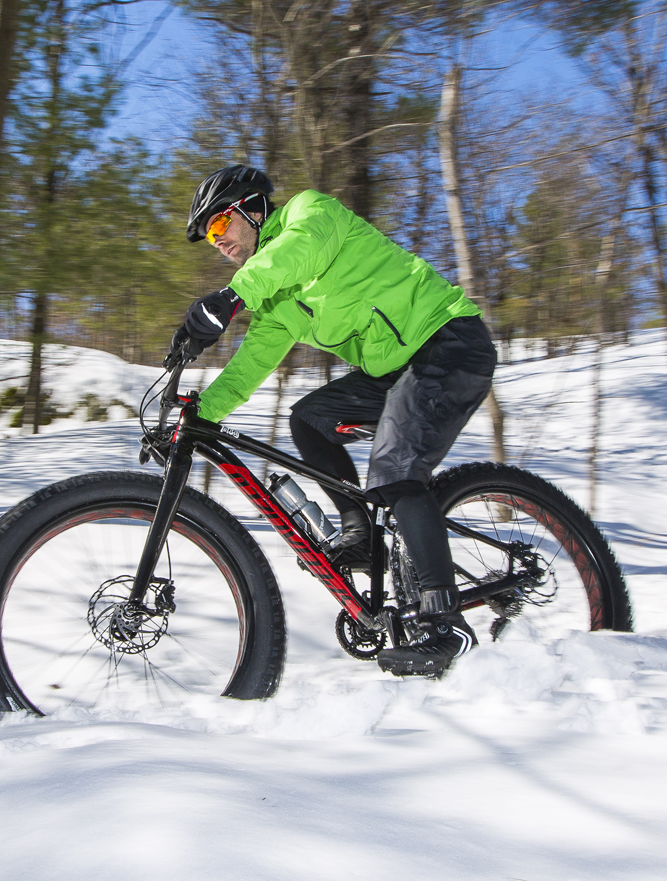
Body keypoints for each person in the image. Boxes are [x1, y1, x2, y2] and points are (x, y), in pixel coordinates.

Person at [172, 165, 497, 677]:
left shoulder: (312, 213)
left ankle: (442, 621)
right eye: (210, 239)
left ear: (253, 209)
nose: (217, 244)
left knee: (394, 466)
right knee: (310, 419)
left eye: (218, 228)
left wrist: (233, 296)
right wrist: (199, 413)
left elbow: (296, 252)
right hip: (396, 370)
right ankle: (360, 533)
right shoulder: (277, 301)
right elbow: (253, 361)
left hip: (447, 343)